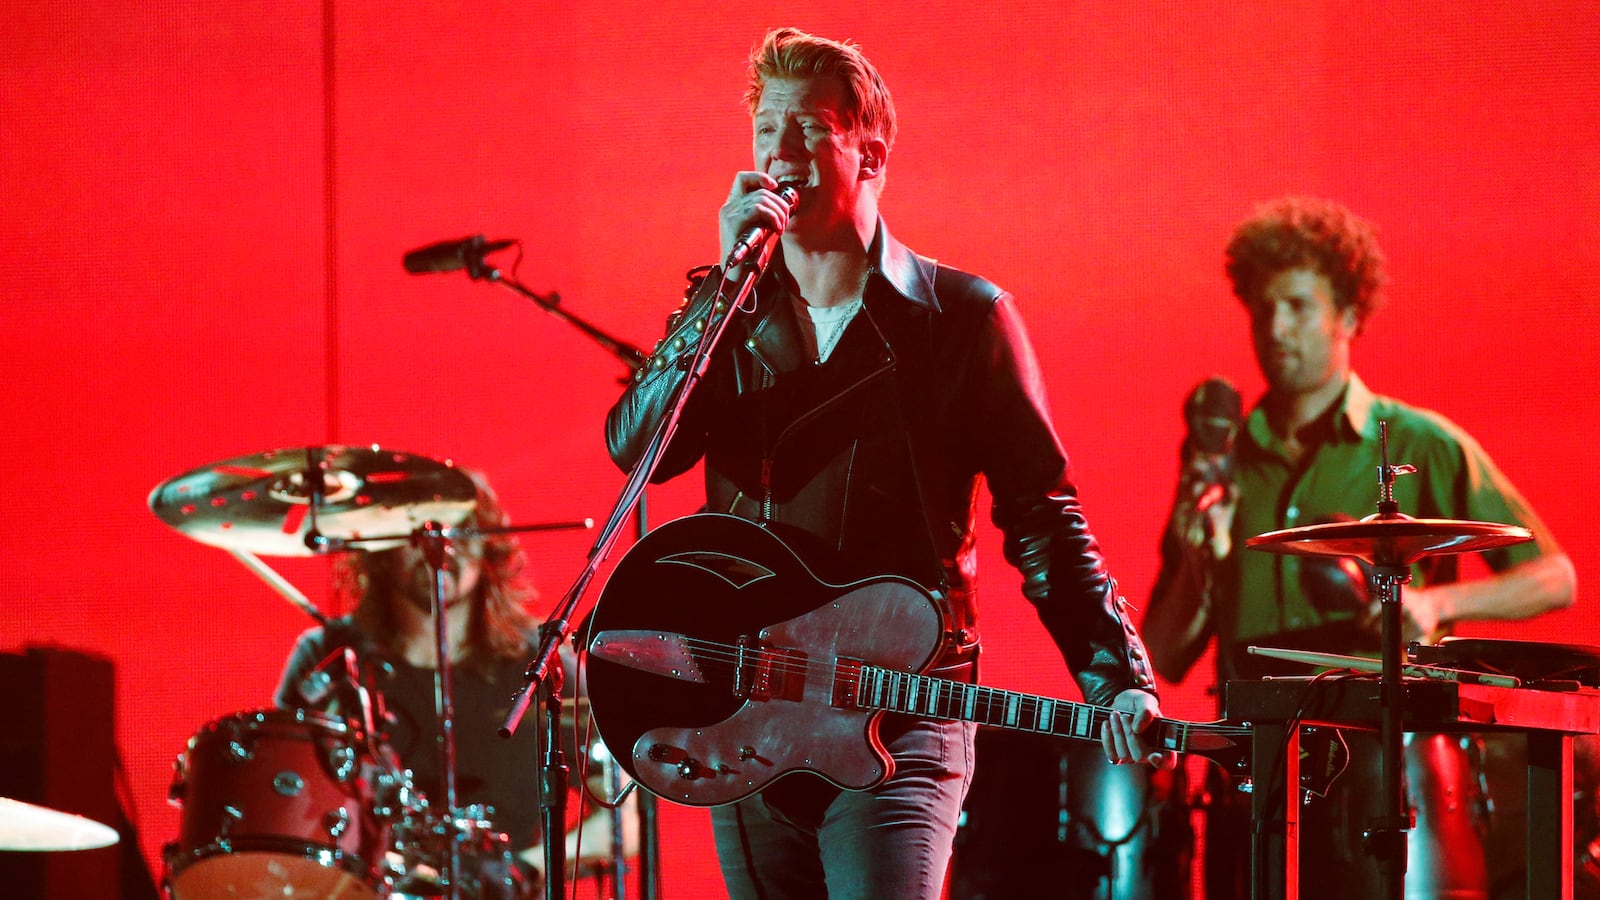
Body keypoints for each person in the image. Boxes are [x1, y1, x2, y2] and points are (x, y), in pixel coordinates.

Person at [603, 27, 1169, 900]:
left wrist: (1117, 677)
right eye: (766, 130)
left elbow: (1044, 516)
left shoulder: (960, 320)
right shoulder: (727, 317)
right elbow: (638, 452)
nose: (778, 154)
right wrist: (718, 291)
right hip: (750, 713)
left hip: (900, 712)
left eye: (807, 130)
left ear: (869, 154)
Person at [1141, 195, 1578, 899]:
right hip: (1255, 780)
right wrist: (1198, 560)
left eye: (1297, 306)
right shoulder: (1220, 467)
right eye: (1262, 308)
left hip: (1389, 783)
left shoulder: (1419, 443)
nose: (1275, 327)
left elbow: (1555, 577)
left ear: (1348, 316)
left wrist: (1436, 604)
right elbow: (1161, 655)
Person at [275, 470, 632, 898]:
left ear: (488, 548)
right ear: (384, 550)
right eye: (423, 532)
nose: (444, 549)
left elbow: (622, 826)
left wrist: (520, 871)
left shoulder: (543, 665)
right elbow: (282, 802)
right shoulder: (327, 658)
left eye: (461, 531)